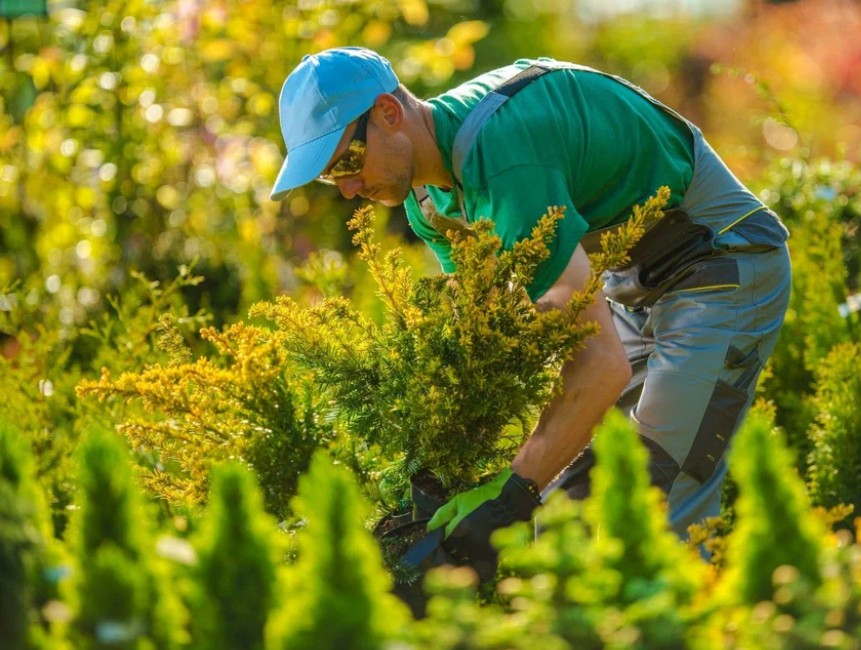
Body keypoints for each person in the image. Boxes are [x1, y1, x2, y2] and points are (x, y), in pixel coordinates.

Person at [270, 47, 791, 578]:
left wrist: (512, 494)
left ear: (388, 113)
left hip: (722, 259)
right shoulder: (428, 201)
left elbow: (598, 363)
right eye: (329, 177)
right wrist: (446, 469)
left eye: (348, 162)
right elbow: (494, 331)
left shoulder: (506, 155)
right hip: (634, 286)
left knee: (656, 493)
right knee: (570, 513)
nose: (349, 189)